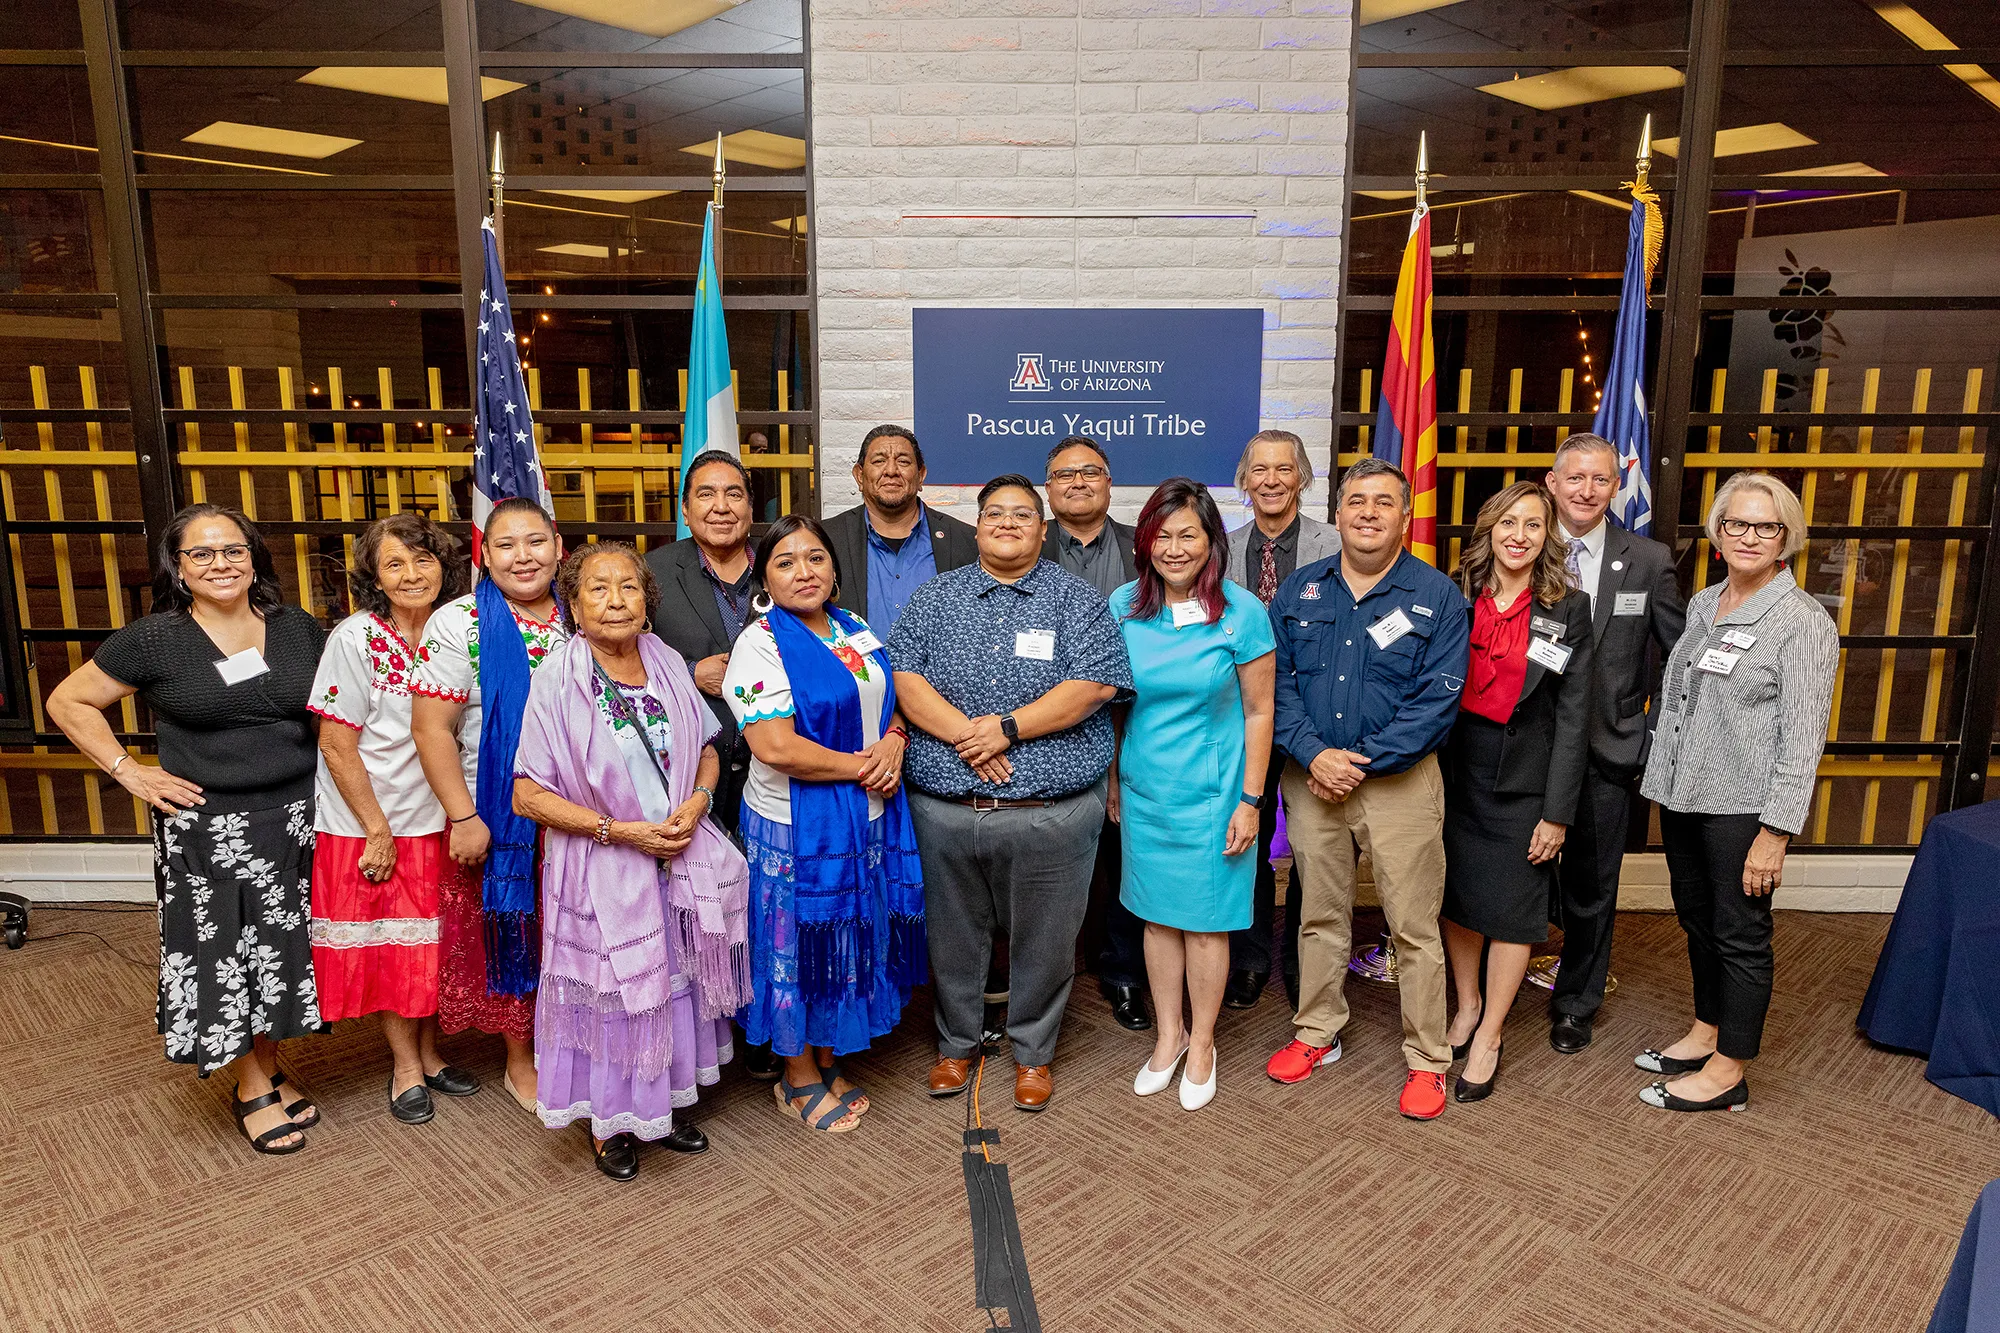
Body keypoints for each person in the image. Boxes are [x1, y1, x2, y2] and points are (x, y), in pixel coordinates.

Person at [47, 505, 327, 1155]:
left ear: (254, 557)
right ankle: (251, 1083)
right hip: (209, 828)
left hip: (293, 817)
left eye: (233, 549)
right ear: (178, 566)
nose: (220, 563)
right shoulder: (154, 639)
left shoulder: (296, 628)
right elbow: (68, 700)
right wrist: (128, 770)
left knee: (281, 954)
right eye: (201, 553)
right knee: (226, 956)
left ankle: (271, 1063)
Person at [888, 474, 1133, 1113]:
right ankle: (956, 1045)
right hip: (947, 810)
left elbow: (1095, 686)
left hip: (1051, 814)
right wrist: (972, 739)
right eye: (994, 513)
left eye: (1021, 514)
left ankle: (1033, 1053)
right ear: (977, 525)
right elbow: (904, 679)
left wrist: (1008, 729)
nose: (1006, 523)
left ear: (1042, 528)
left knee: (1048, 940)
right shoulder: (935, 599)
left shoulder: (1076, 600)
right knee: (952, 935)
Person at [512, 542, 749, 1179]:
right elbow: (527, 792)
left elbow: (706, 745)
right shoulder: (559, 676)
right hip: (601, 866)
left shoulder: (666, 658)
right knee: (610, 994)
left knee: (670, 984)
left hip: (674, 854)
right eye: (598, 588)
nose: (616, 601)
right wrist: (620, 831)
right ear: (573, 604)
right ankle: (608, 1122)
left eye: (629, 588)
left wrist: (698, 804)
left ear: (648, 602)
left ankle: (658, 1106)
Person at [1263, 455, 1470, 1121]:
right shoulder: (1300, 589)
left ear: (1405, 515)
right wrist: (1314, 754)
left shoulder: (1436, 595)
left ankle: (1427, 1058)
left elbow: (1438, 698)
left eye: (1384, 502)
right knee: (1319, 912)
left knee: (1412, 923)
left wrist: (1360, 761)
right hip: (1312, 776)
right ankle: (1316, 1031)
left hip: (1401, 783)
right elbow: (1278, 686)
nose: (1369, 513)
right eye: (1357, 501)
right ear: (1339, 512)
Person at [1636, 473, 1836, 1113]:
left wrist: (1776, 833)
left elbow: (1803, 739)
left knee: (1741, 934)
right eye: (1737, 524)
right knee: (1698, 922)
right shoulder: (1704, 603)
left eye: (1766, 527)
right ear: (1718, 533)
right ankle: (1707, 1029)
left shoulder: (1802, 621)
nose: (1750, 537)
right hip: (1686, 796)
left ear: (1787, 539)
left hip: (1745, 807)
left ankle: (1730, 1070)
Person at [723, 515, 926, 1133]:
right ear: (764, 579)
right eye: (785, 562)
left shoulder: (856, 628)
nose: (803, 572)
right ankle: (797, 1072)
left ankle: (830, 1052)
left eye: (815, 558)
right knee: (796, 942)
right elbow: (776, 748)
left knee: (846, 933)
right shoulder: (759, 644)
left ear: (835, 569)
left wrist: (893, 740)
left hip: (866, 817)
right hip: (793, 828)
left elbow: (888, 705)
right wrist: (865, 766)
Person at [1109, 479, 1274, 1112]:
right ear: (1144, 541)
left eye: (1189, 536)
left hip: (1214, 794)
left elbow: (1261, 713)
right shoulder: (1125, 605)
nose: (1174, 549)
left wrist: (1251, 800)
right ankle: (1169, 1034)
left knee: (1206, 925)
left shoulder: (1241, 611)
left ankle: (1203, 1042)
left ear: (1211, 543)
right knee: (1156, 917)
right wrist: (1115, 779)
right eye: (1162, 535)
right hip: (1147, 789)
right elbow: (1113, 703)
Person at [308, 513, 478, 1125]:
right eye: (394, 564)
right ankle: (405, 1066)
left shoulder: (458, 628)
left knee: (432, 946)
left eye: (423, 560)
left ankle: (431, 1054)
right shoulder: (355, 638)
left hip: (442, 814)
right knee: (391, 952)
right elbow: (335, 742)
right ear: (374, 577)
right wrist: (376, 829)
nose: (411, 574)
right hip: (372, 822)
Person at [409, 497, 567, 1113]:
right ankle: (519, 1058)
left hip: (583, 815)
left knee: (574, 935)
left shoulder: (583, 611)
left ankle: (574, 1042)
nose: (522, 557)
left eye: (535, 542)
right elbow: (431, 730)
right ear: (484, 553)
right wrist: (463, 816)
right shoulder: (460, 623)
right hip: (500, 817)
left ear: (558, 545)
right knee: (517, 932)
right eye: (506, 545)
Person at [1439, 482, 1594, 1103]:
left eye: (1533, 524)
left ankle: (1492, 1034)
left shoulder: (1567, 607)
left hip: (1526, 778)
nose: (1519, 535)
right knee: (1458, 895)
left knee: (1511, 907)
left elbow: (1575, 716)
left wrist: (1557, 813)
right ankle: (1467, 1002)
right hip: (1456, 768)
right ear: (1489, 530)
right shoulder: (1456, 593)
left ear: (1546, 535)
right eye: (1508, 523)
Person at [1543, 432, 1686, 1055]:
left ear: (1616, 486)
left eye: (1600, 480)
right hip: (1530, 747)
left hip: (1609, 748)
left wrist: (1650, 737)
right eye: (1574, 478)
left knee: (1593, 885)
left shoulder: (1649, 560)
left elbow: (1679, 660)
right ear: (1552, 482)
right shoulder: (1520, 543)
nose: (1586, 490)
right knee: (1514, 874)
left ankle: (1577, 1001)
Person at [1221, 428, 1341, 1012]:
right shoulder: (1219, 546)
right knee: (1247, 839)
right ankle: (1248, 958)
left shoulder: (1339, 545)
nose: (1271, 480)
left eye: (1283, 469)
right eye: (1259, 470)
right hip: (1245, 720)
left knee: (1314, 850)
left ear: (1302, 478)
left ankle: (1302, 962)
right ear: (1245, 480)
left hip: (1317, 724)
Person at [1040, 435, 1148, 1033]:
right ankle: (1046, 978)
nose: (1078, 482)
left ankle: (1123, 974)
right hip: (1041, 733)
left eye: (1091, 472)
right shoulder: (1024, 549)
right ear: (1048, 489)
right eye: (1064, 475)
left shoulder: (1148, 550)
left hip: (1132, 727)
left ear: (1109, 483)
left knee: (1123, 858)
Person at [647, 450, 759, 839]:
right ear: (685, 508)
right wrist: (691, 673)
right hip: (688, 771)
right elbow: (620, 658)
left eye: (734, 494)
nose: (721, 507)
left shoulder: (782, 568)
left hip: (775, 770)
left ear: (749, 505)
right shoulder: (652, 573)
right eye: (706, 495)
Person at [823, 424, 979, 634]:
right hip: (852, 667)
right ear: (859, 476)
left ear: (921, 475)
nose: (891, 471)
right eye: (879, 461)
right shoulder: (826, 540)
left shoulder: (966, 541)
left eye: (903, 462)